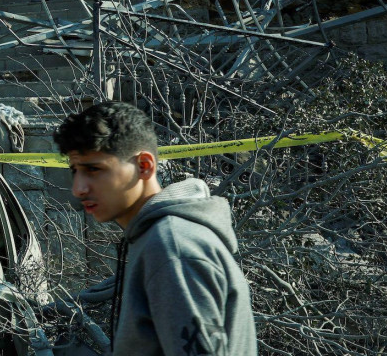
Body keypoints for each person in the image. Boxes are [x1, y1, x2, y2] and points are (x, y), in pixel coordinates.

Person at [55, 102, 256, 355]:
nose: (78, 188)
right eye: (74, 171)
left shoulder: (173, 248)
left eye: (94, 169)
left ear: (144, 166)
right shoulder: (158, 238)